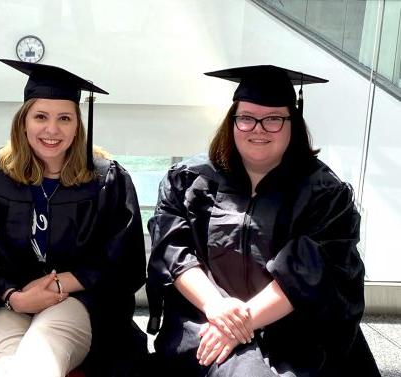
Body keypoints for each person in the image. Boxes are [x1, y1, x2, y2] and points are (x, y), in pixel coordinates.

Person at [145, 65, 380, 376]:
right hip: (206, 316)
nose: (258, 129)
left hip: (292, 326)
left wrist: (241, 322)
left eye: (273, 119)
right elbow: (173, 251)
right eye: (247, 118)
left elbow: (309, 272)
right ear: (232, 122)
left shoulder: (323, 192)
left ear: (292, 123)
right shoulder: (189, 180)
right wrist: (217, 308)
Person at [0, 59, 147, 377]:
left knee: (42, 354)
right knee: (4, 364)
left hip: (78, 298)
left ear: (77, 125)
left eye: (64, 118)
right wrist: (16, 298)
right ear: (23, 122)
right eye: (40, 116)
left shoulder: (106, 179)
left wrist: (57, 285)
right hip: (4, 300)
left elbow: (124, 265)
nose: (52, 129)